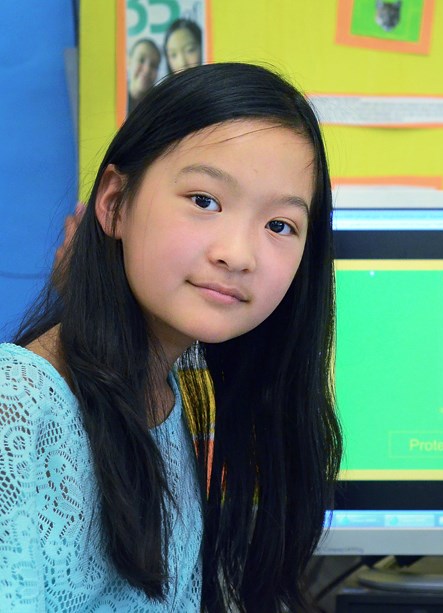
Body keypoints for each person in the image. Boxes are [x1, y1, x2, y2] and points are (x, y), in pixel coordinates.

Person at [0, 63, 342, 612]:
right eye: (204, 201)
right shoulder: (15, 405)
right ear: (114, 203)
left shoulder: (164, 401)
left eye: (280, 225)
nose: (239, 253)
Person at [127, 37, 161, 112]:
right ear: (129, 62)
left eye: (153, 65)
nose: (147, 70)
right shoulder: (113, 98)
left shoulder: (160, 106)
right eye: (141, 60)